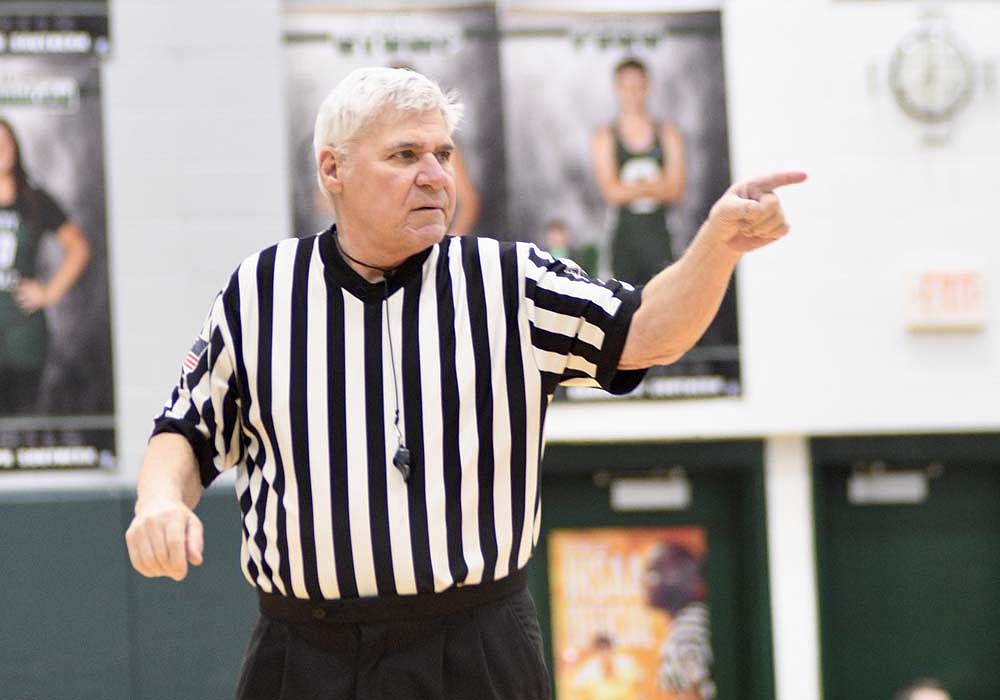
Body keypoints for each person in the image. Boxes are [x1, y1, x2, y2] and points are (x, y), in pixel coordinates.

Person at [124, 66, 804, 700]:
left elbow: (646, 332)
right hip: (305, 652)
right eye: (404, 156)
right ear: (333, 169)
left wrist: (717, 247)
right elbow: (187, 428)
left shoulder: (511, 280)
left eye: (443, 155)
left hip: (476, 646)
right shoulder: (262, 290)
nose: (434, 176)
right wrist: (159, 502)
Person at [0, 117, 91, 416]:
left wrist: (49, 292)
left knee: (21, 423)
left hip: (23, 337)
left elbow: (78, 246)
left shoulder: (35, 200)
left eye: (4, 141)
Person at [592, 57, 686, 285]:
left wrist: (630, 188)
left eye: (637, 87)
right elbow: (611, 193)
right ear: (617, 89)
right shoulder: (605, 137)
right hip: (624, 243)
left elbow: (675, 191)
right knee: (624, 312)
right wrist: (655, 185)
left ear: (648, 87)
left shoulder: (667, 134)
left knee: (666, 307)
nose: (632, 94)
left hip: (661, 239)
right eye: (626, 87)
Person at [643, 542, 714, 700]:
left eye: (655, 570)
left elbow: (706, 689)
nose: (646, 580)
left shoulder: (689, 629)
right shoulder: (690, 620)